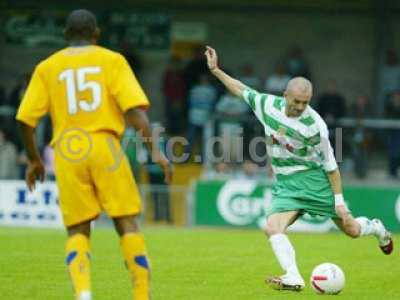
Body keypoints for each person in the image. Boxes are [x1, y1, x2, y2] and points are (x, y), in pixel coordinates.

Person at [205, 46, 393, 291]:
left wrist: (339, 202)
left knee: (352, 230)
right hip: (286, 185)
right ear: (285, 95)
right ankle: (293, 276)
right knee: (272, 227)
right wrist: (217, 70)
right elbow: (242, 90)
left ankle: (376, 228)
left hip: (314, 181)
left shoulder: (315, 126)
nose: (300, 107)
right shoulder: (267, 105)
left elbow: (332, 168)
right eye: (296, 101)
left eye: (305, 103)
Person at [16, 9, 172, 300]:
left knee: (77, 228)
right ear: (96, 34)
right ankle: (140, 295)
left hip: (68, 150)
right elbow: (134, 112)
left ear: (65, 35)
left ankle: (84, 293)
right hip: (105, 145)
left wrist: (35, 159)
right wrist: (156, 153)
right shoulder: (112, 61)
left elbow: (24, 120)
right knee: (126, 222)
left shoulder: (48, 67)